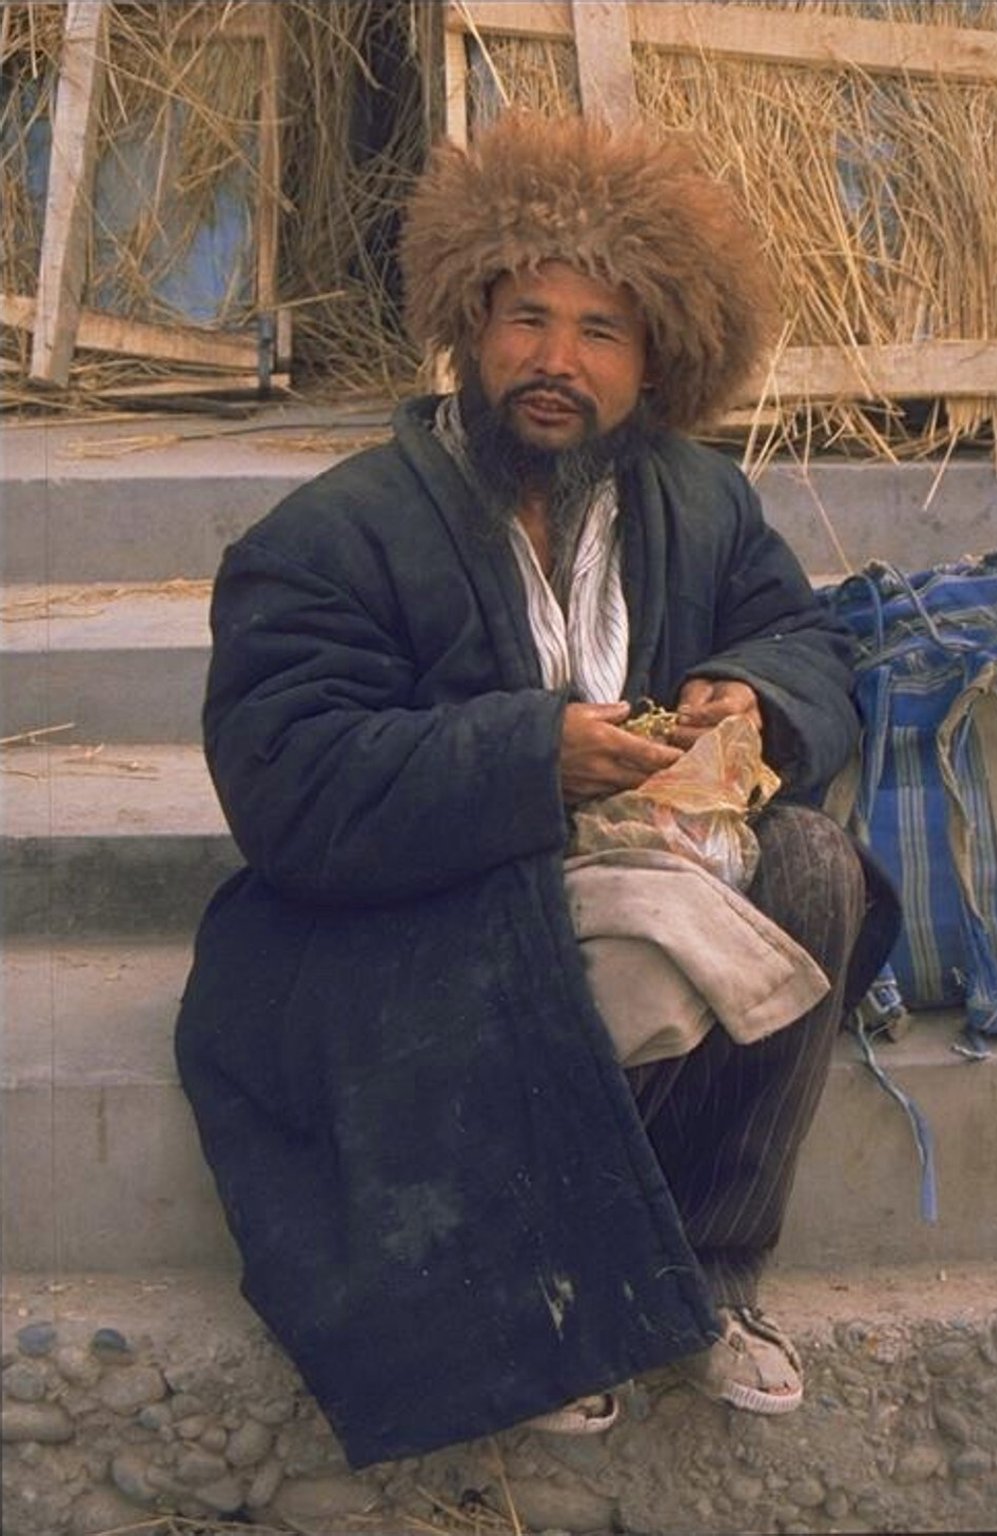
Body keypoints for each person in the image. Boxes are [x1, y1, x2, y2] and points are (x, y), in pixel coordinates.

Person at [175, 111, 898, 1469]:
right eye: (527, 319)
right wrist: (530, 759)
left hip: (633, 878)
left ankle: (705, 1274)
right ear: (468, 323)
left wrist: (751, 694)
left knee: (811, 866)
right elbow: (289, 782)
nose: (557, 361)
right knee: (570, 941)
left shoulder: (702, 502)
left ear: (658, 358)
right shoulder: (332, 536)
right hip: (419, 908)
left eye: (600, 331)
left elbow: (801, 638)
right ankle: (534, 1296)